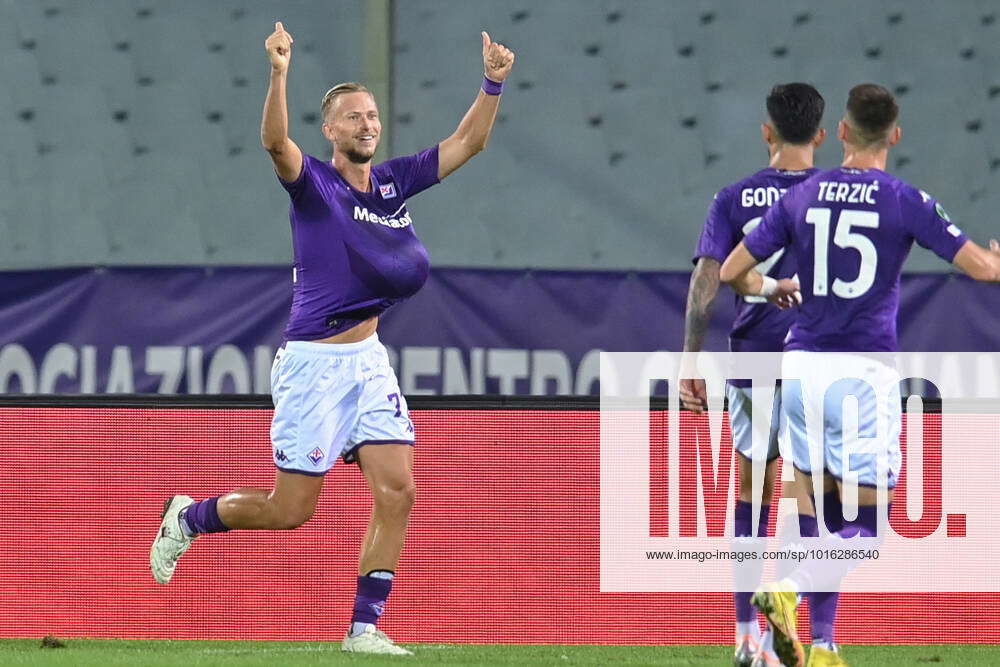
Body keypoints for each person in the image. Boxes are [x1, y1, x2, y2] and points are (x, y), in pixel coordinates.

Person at [149, 21, 515, 656]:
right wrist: (280, 70)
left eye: (372, 115)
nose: (367, 124)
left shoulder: (397, 181)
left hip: (368, 360)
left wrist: (493, 81)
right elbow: (272, 141)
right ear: (332, 130)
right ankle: (191, 516)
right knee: (291, 510)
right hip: (314, 364)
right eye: (353, 118)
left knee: (399, 488)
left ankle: (363, 629)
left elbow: (469, 141)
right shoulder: (314, 184)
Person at [720, 83, 1000, 667]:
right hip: (862, 375)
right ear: (894, 136)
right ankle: (787, 590)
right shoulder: (905, 200)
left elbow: (731, 271)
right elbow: (981, 268)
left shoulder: (803, 195)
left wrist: (774, 289)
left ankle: (821, 646)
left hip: (798, 372)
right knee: (865, 526)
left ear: (841, 132)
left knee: (815, 514)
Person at [681, 82, 826, 667]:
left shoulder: (734, 197)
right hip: (817, 357)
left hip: (753, 356)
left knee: (751, 492)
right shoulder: (835, 197)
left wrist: (690, 358)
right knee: (812, 496)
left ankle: (746, 637)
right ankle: (814, 637)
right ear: (820, 134)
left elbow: (706, 280)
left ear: (767, 132)